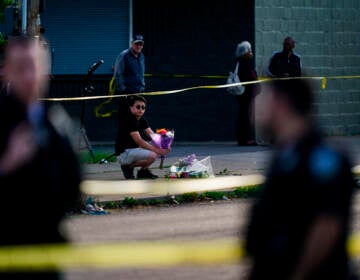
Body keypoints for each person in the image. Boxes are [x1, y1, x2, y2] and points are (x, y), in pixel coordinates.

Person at [243, 79, 357, 280]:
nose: (256, 106)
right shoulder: (284, 156)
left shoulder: (324, 159)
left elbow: (326, 226)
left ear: (282, 104)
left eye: (264, 98)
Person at [0, 35, 82, 279]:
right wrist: (7, 163)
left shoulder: (56, 121)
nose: (28, 77)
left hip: (46, 251)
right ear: (6, 71)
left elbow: (74, 186)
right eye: (20, 68)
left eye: (33, 67)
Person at [115, 95, 170, 179]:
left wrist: (164, 144)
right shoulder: (129, 120)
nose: (141, 109)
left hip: (134, 150)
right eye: (138, 107)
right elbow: (139, 141)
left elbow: (152, 135)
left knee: (160, 148)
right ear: (131, 107)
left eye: (143, 107)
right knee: (153, 155)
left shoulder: (142, 120)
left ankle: (143, 171)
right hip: (124, 153)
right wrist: (157, 149)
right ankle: (128, 167)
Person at [233, 41, 261, 146]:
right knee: (246, 116)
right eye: (249, 50)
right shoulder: (245, 63)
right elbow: (249, 78)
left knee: (244, 116)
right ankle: (245, 139)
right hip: (246, 94)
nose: (251, 52)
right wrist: (256, 87)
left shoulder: (239, 62)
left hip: (244, 94)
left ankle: (243, 139)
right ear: (245, 52)